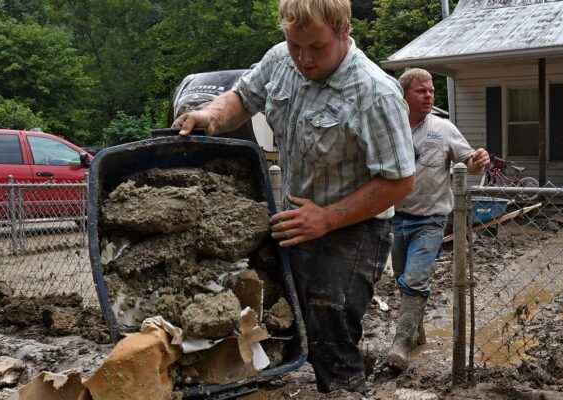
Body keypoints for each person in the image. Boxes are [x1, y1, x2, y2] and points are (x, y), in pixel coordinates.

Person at [172, 0, 415, 393]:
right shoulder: (279, 61)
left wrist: (327, 218)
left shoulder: (375, 93)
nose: (303, 58)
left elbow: (400, 180)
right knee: (280, 317)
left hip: (354, 229)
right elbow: (242, 97)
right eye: (294, 45)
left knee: (329, 331)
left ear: (344, 31)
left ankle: (344, 388)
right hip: (297, 218)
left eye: (316, 48)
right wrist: (210, 116)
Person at [387, 68, 489, 371]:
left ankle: (401, 343)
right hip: (395, 218)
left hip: (430, 219)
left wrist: (476, 161)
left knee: (416, 279)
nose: (429, 95)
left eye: (431, 90)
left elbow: (468, 162)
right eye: (421, 91)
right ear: (404, 95)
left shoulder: (443, 128)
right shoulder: (390, 127)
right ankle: (416, 333)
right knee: (402, 280)